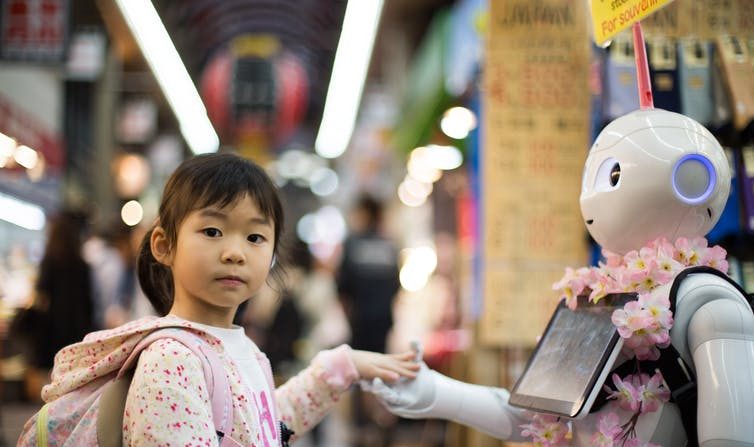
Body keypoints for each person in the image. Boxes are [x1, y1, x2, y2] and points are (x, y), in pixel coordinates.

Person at [366, 109, 754, 445]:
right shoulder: (599, 298)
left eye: (612, 174)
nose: (591, 196)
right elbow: (536, 417)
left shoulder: (710, 303)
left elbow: (734, 435)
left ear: (693, 178)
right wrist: (436, 392)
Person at [35, 152, 419, 445]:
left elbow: (259, 426)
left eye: (254, 237)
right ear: (164, 246)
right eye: (213, 231)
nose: (235, 252)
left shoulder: (240, 350)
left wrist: (343, 366)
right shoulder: (172, 360)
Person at [29, 210, 94, 394]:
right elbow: (88, 299)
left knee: (51, 367)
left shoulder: (49, 261)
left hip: (53, 323)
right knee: (71, 367)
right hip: (77, 324)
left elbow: (42, 293)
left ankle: (49, 403)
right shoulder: (82, 263)